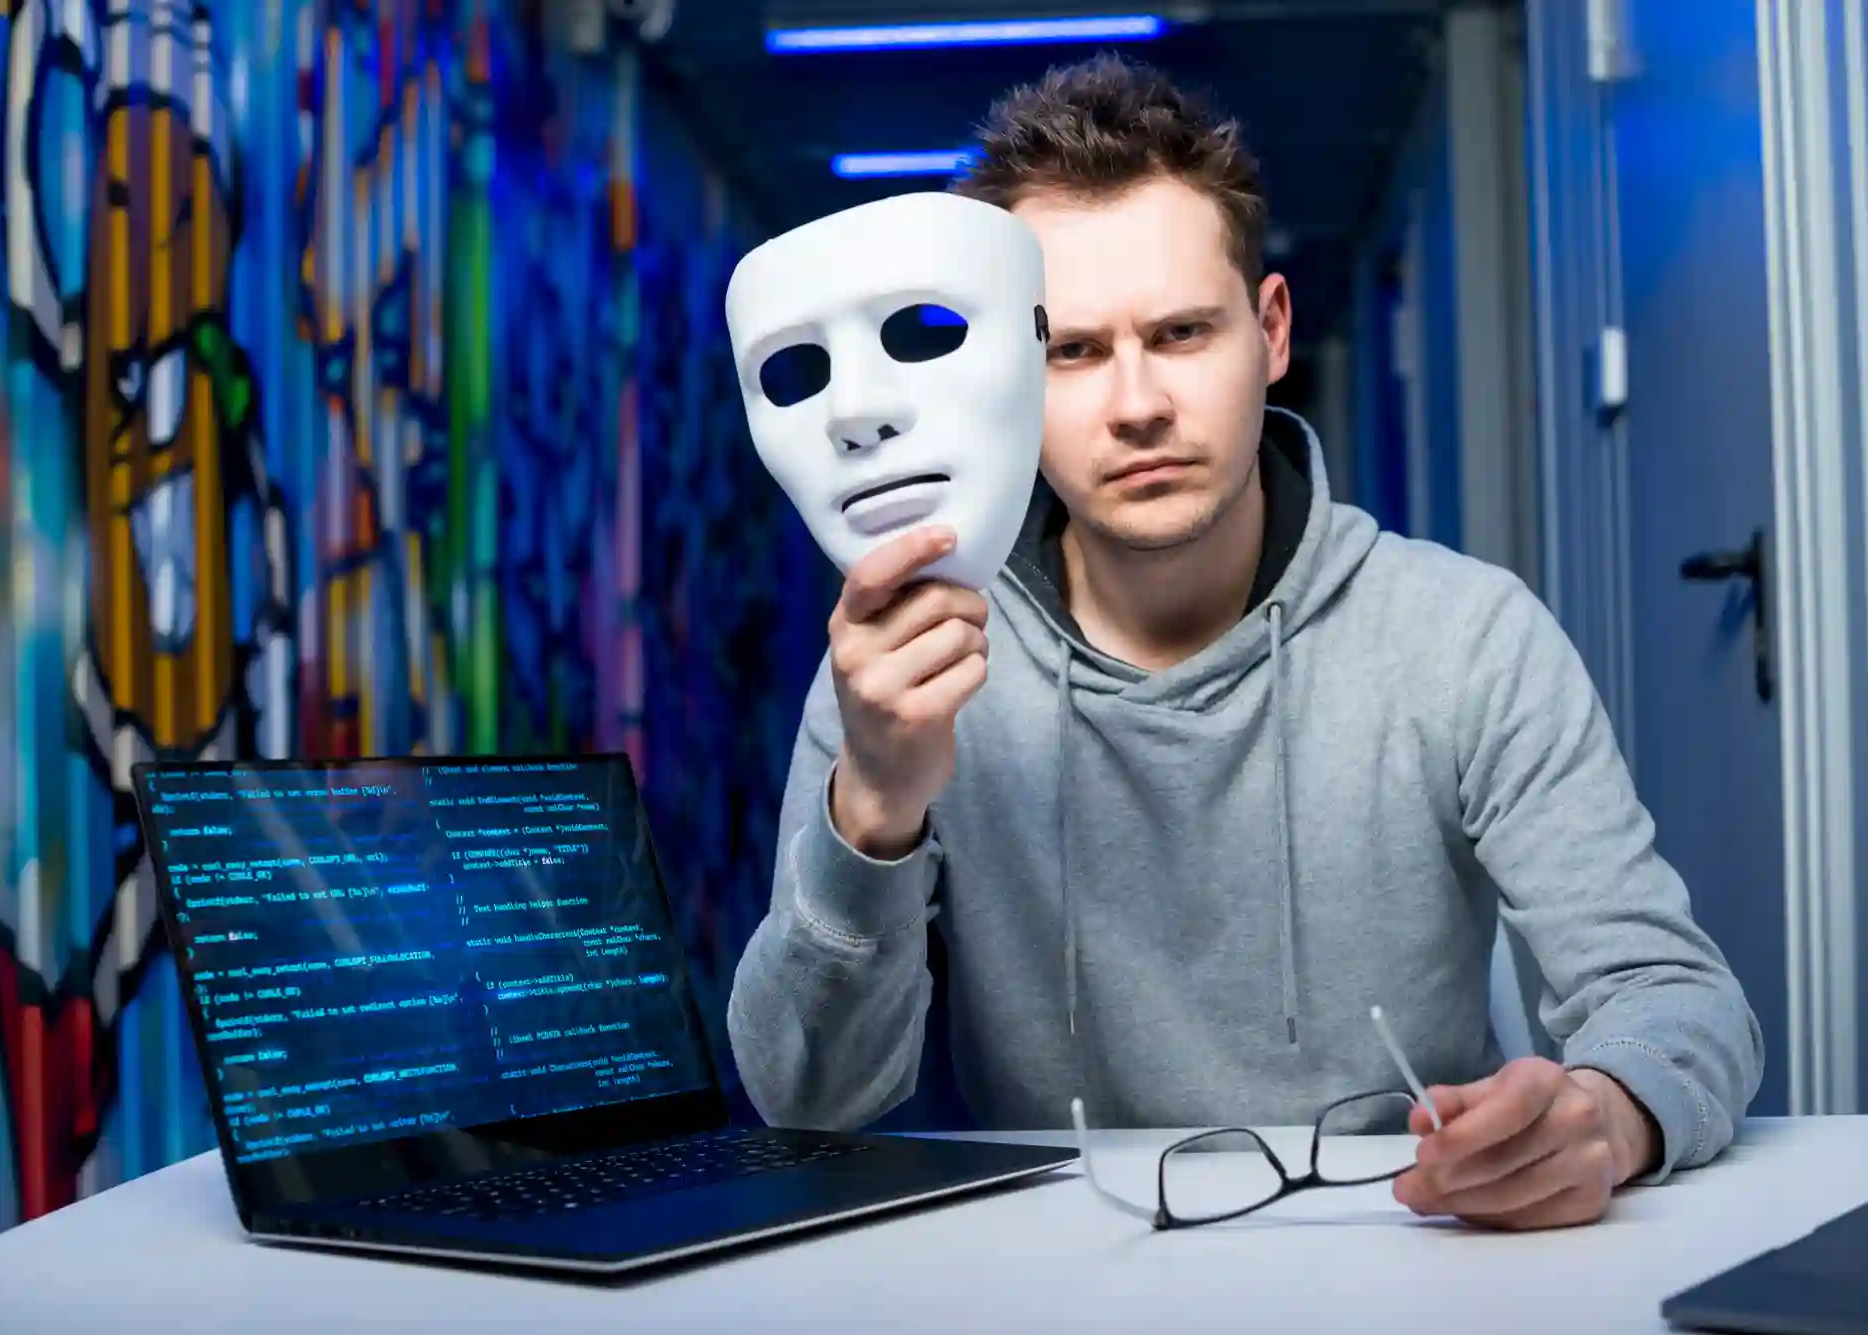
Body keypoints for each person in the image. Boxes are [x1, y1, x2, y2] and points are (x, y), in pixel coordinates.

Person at [726, 53, 1762, 1231]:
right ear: (1004, 369)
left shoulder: (1463, 636)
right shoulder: (904, 667)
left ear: (1267, 331)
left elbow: (1671, 993)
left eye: (1178, 333)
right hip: (1068, 1271)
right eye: (1070, 351)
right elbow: (804, 1104)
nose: (1134, 404)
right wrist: (874, 808)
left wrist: (1604, 1110)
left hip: (1403, 1250)